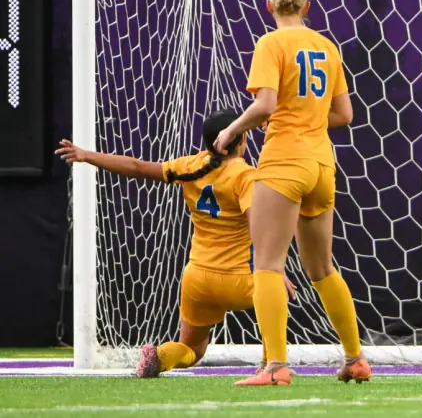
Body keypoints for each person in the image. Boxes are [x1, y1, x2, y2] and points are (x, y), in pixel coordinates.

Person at [55, 110, 296, 378]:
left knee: (191, 349)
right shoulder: (245, 176)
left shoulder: (191, 165)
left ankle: (160, 356)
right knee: (275, 294)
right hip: (240, 279)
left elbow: (137, 167)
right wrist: (275, 271)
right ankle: (269, 363)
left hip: (198, 280)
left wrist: (87, 155)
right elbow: (258, 228)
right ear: (239, 141)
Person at [213, 0, 368, 387]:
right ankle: (355, 359)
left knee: (266, 265)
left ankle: (276, 366)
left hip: (284, 161)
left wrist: (231, 131)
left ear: (270, 7)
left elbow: (264, 105)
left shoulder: (270, 43)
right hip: (321, 165)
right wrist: (310, 118)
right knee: (322, 269)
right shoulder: (326, 46)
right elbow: (345, 116)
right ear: (307, 6)